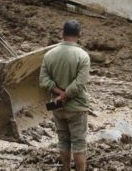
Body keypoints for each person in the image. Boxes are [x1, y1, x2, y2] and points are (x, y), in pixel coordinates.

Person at [39, 20, 91, 171]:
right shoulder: (83, 56)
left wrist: (59, 93)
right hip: (76, 107)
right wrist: (66, 95)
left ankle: (66, 168)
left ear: (62, 33)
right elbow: (80, 84)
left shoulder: (49, 55)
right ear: (80, 34)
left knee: (63, 141)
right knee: (79, 144)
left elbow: (43, 80)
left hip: (57, 107)